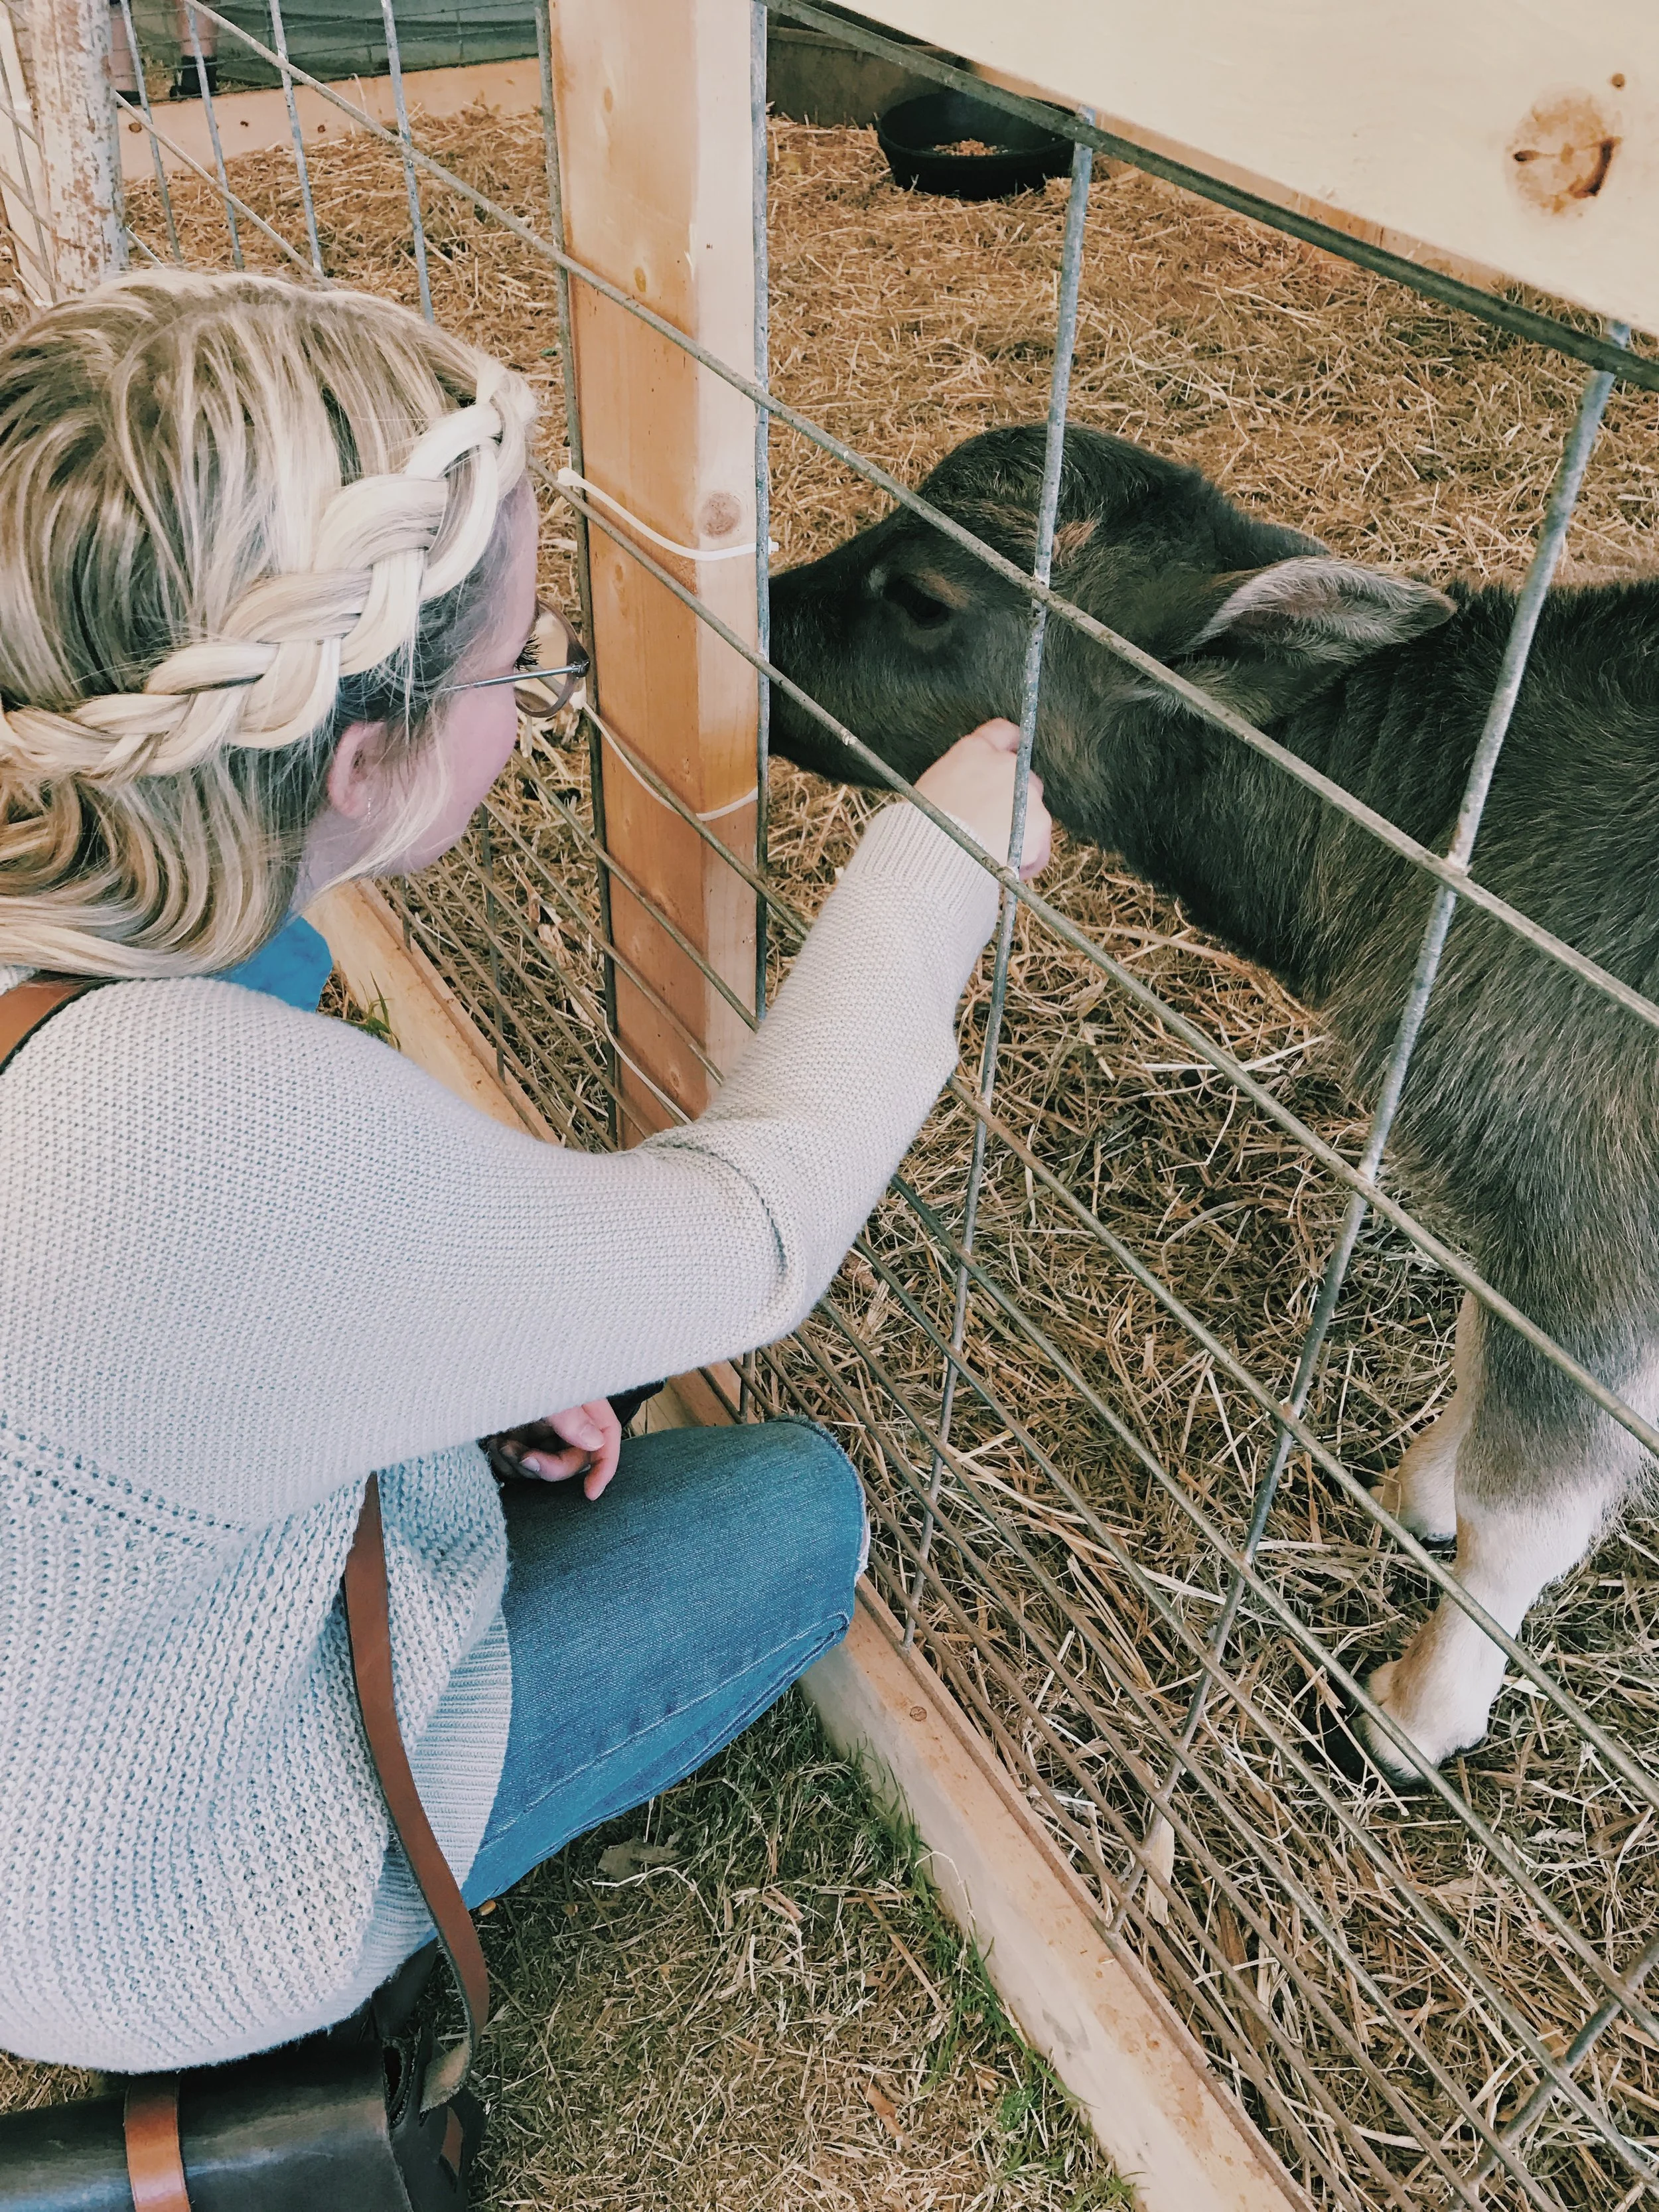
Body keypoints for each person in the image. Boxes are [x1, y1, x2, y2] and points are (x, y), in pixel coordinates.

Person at [0, 269, 1050, 2075]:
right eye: (520, 668)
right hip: (122, 1916)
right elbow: (755, 1231)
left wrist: (443, 1373)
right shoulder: (199, 1129)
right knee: (790, 1517)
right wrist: (944, 853)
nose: (540, 695)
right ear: (365, 759)